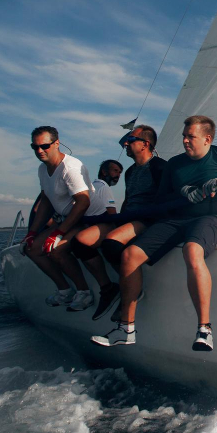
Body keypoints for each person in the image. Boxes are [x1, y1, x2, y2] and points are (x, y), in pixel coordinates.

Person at [91, 115, 217, 350]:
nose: (184, 141)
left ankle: (204, 330)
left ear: (207, 139)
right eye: (184, 136)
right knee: (130, 255)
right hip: (176, 220)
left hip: (211, 217)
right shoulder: (174, 164)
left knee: (192, 251)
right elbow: (161, 198)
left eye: (190, 136)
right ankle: (126, 329)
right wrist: (184, 191)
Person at [70, 125, 166, 320]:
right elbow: (129, 199)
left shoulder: (160, 167)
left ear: (145, 144)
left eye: (130, 140)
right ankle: (108, 287)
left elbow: (164, 199)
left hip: (147, 219)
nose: (125, 144)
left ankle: (131, 289)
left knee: (111, 244)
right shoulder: (130, 172)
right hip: (128, 218)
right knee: (80, 242)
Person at [22, 126, 99, 311]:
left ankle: (84, 293)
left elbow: (83, 202)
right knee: (31, 249)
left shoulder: (70, 168)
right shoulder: (43, 169)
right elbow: (46, 201)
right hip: (67, 220)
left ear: (57, 143)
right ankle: (65, 290)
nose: (39, 151)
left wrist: (58, 233)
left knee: (55, 250)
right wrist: (32, 232)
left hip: (87, 219)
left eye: (44, 146)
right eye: (35, 147)